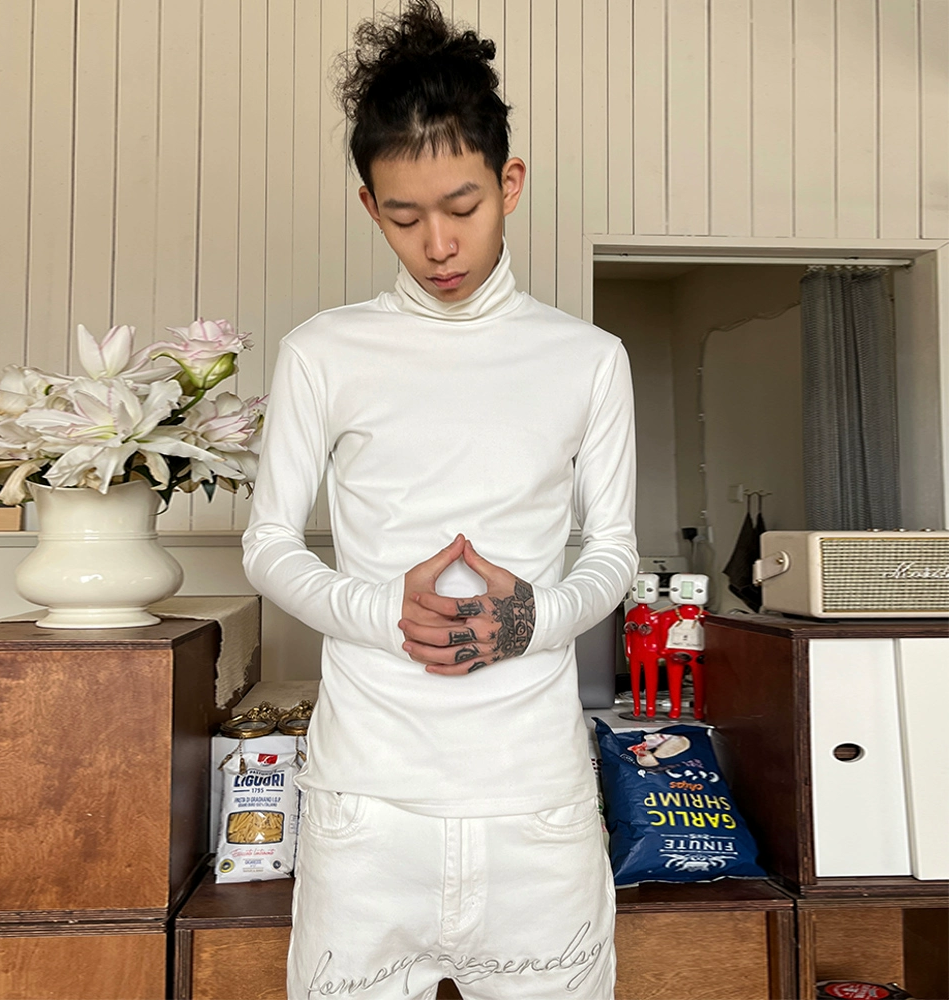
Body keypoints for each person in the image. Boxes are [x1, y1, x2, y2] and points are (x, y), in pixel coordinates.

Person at [241, 3, 637, 996]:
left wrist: (533, 617)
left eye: (463, 207)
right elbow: (268, 544)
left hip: (535, 806)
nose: (439, 245)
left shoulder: (588, 359)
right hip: (366, 807)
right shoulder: (323, 351)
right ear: (369, 206)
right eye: (405, 217)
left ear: (510, 183)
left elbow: (614, 550)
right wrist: (383, 609)